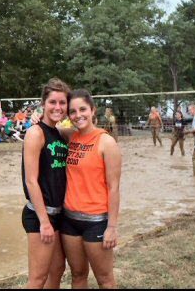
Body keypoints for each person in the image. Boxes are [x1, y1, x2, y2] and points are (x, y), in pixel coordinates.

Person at [58, 89, 121, 289]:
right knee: (77, 275)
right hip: (69, 220)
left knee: (105, 280)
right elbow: (50, 127)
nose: (78, 115)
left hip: (96, 222)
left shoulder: (106, 142)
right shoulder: (71, 136)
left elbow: (114, 188)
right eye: (73, 111)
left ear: (93, 110)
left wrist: (111, 227)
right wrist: (37, 116)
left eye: (83, 109)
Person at [22, 78, 71, 289]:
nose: (57, 107)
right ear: (43, 103)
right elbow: (31, 181)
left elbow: (84, 129)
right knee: (38, 278)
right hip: (40, 215)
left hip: (58, 214)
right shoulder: (36, 133)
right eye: (52, 102)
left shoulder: (59, 133)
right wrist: (44, 221)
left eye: (62, 102)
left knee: (58, 268)